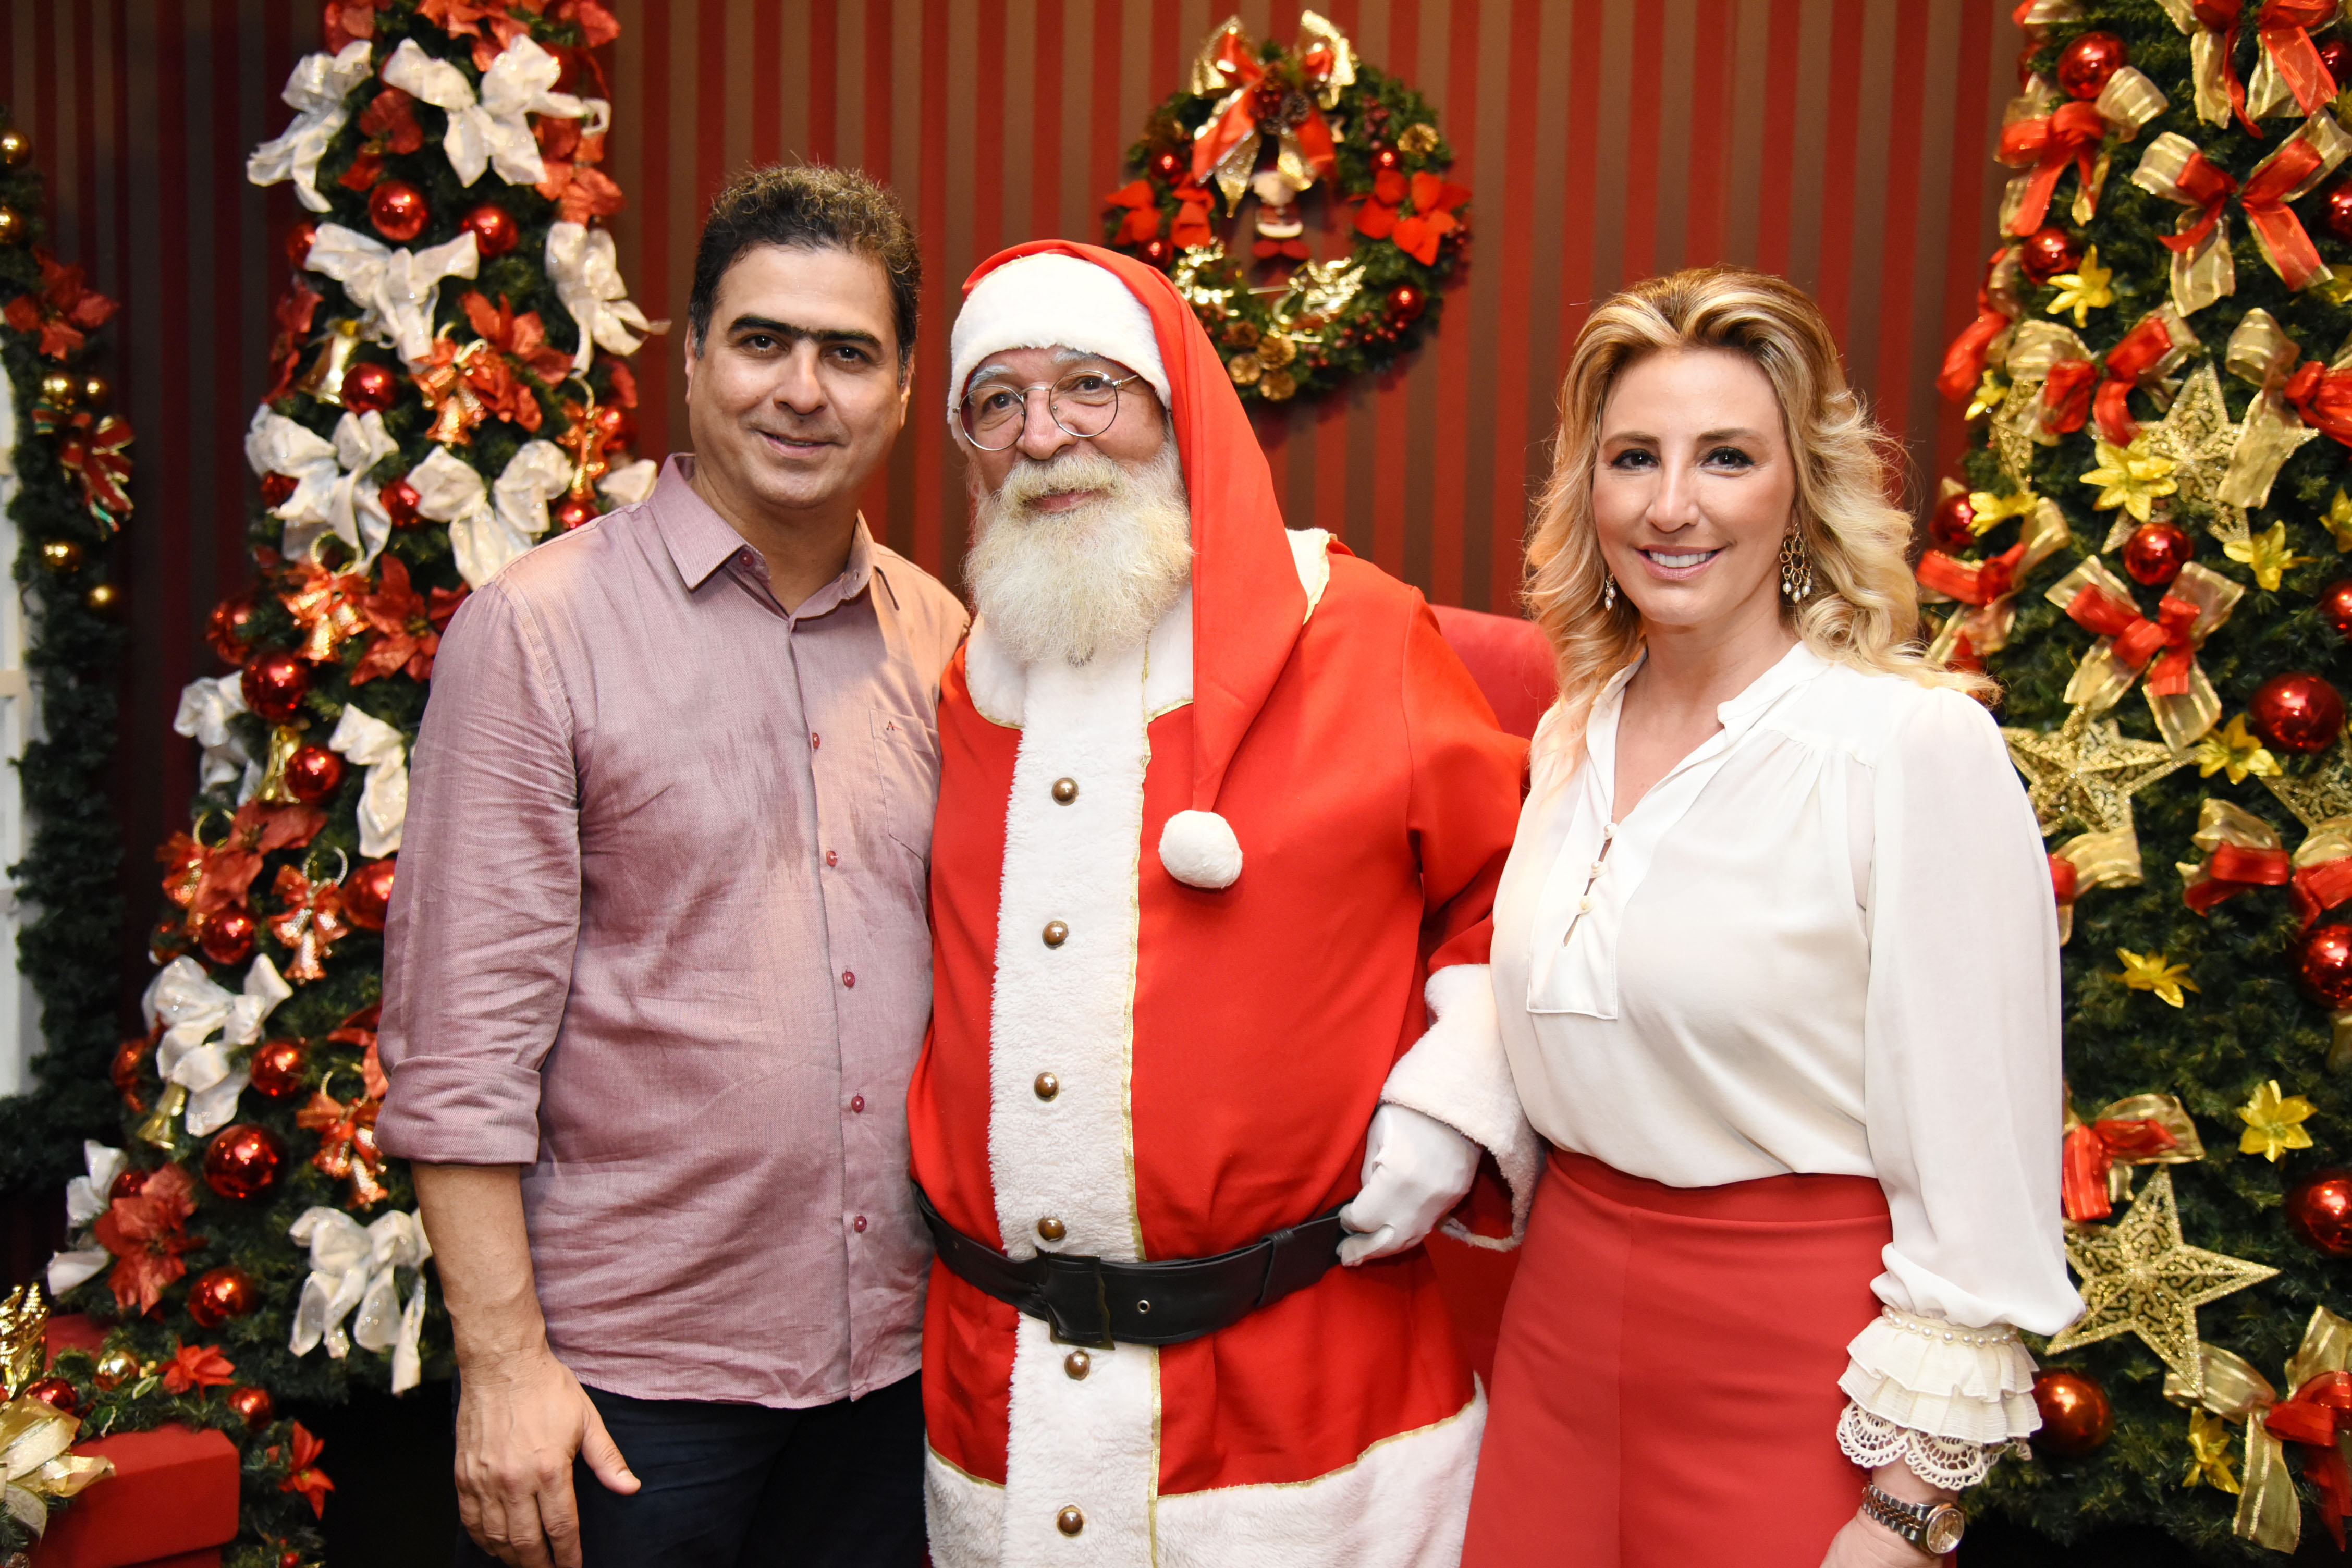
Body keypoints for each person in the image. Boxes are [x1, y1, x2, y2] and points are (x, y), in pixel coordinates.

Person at [906, 240, 1539, 1568]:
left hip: (1296, 1404)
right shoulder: (968, 677)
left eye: (1091, 386)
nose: (1045, 436)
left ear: (1176, 403)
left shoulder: (1361, 633)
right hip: (1001, 1395)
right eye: (998, 402)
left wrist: (1455, 1095)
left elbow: (1523, 884)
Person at [376, 165, 965, 1568]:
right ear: (692, 355)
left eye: (848, 354)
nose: (802, 391)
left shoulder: (944, 639)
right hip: (629, 1391)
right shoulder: (539, 632)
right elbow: (459, 1050)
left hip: (897, 1372)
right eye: (763, 341)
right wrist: (504, 1369)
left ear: (902, 389)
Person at [1460, 267, 2082, 1567]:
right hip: (1556, 1339)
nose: (1671, 505)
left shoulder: (1909, 749)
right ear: (1588, 488)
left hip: (1798, 1370)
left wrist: (1902, 1513)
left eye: (1727, 457)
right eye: (1634, 457)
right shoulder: (1570, 732)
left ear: (1800, 488)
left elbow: (1982, 1182)